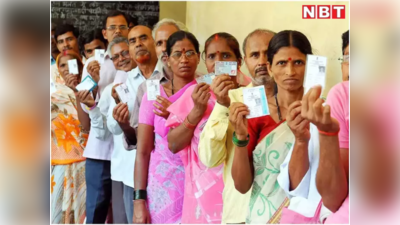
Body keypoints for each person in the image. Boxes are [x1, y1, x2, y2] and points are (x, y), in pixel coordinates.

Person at [230, 30, 315, 223]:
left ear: (309, 65)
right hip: (264, 217)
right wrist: (240, 138)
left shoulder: (321, 111)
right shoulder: (256, 112)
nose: (290, 71)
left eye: (298, 63)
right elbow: (242, 186)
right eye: (282, 63)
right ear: (270, 68)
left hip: (308, 216)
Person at [165, 32, 246, 223]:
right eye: (211, 57)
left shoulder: (250, 92)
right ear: (205, 61)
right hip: (202, 197)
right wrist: (197, 111)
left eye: (226, 56)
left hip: (240, 193)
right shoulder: (194, 94)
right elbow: (173, 144)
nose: (218, 63)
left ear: (238, 61)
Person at [198, 29, 275, 224]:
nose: (262, 61)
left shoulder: (295, 101)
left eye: (269, 53)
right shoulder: (231, 99)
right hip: (240, 212)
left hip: (283, 211)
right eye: (255, 55)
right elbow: (209, 158)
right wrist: (223, 106)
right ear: (245, 62)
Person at [132, 31, 199, 224]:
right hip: (161, 190)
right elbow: (143, 152)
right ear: (167, 59)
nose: (184, 59)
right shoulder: (153, 94)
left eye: (190, 53)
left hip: (197, 187)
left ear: (198, 57)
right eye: (177, 54)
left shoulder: (204, 94)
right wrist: (139, 201)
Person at [79, 10, 131, 224]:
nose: (117, 31)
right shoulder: (94, 62)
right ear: (104, 33)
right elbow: (84, 99)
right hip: (100, 148)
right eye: (112, 28)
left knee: (122, 213)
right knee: (96, 209)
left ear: (129, 30)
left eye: (122, 27)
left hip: (128, 151)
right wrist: (92, 80)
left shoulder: (137, 59)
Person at [108, 26, 164, 223]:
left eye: (143, 38)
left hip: (167, 169)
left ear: (155, 43)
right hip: (134, 171)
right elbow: (116, 129)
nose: (138, 44)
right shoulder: (125, 83)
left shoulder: (172, 75)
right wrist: (122, 121)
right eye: (132, 41)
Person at [118, 19, 187, 151]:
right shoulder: (146, 87)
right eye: (159, 43)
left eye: (170, 41)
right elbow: (142, 145)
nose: (165, 48)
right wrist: (125, 126)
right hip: (161, 165)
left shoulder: (200, 82)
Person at [51, 50, 89, 224]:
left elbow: (87, 124)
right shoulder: (50, 91)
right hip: (59, 161)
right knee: (57, 209)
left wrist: (77, 92)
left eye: (71, 63)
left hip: (85, 158)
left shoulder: (88, 88)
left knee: (82, 209)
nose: (66, 69)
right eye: (62, 65)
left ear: (80, 66)